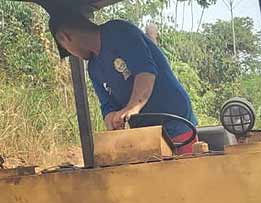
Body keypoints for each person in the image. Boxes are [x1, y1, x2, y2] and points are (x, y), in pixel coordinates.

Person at [49, 12, 198, 153]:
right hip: (143, 135)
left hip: (176, 124)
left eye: (68, 51)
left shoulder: (118, 32)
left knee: (184, 177)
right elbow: (107, 105)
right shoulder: (93, 68)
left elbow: (145, 72)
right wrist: (112, 119)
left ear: (65, 37)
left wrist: (132, 107)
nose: (74, 55)